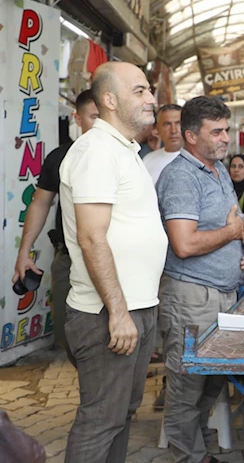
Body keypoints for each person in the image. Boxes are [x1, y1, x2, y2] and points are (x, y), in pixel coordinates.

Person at [59, 62, 168, 463]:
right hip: (107, 313)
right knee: (102, 419)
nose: (150, 98)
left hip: (136, 307)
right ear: (109, 100)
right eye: (139, 91)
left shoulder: (125, 150)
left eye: (149, 90)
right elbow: (91, 236)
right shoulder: (97, 151)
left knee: (121, 415)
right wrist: (119, 312)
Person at [156, 95, 244, 463]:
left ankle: (198, 449)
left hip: (224, 296)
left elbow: (232, 220)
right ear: (191, 136)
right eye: (216, 132)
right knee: (186, 386)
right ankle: (190, 457)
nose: (225, 138)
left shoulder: (218, 171)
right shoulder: (181, 177)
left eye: (226, 130)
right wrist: (233, 233)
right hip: (192, 298)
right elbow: (183, 244)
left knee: (213, 381)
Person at [12, 89, 99, 367]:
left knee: (113, 335)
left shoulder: (125, 157)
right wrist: (24, 252)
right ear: (78, 119)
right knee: (65, 332)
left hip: (110, 258)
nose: (100, 124)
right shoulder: (61, 157)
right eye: (94, 117)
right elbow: (40, 203)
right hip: (69, 259)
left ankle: (106, 390)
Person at [143, 104, 183, 184]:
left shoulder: (198, 159)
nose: (173, 131)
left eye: (178, 123)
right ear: (157, 129)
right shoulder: (147, 160)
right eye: (167, 124)